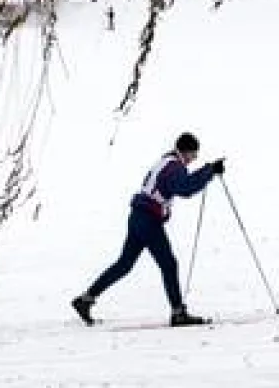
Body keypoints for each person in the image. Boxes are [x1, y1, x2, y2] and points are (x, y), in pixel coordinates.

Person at [71, 133, 224, 327]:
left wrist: (207, 170)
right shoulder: (174, 167)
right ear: (185, 152)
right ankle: (178, 313)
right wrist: (209, 172)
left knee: (124, 264)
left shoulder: (167, 162)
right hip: (148, 220)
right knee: (168, 264)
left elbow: (182, 183)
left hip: (138, 216)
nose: (193, 159)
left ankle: (85, 299)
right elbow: (185, 188)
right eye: (193, 155)